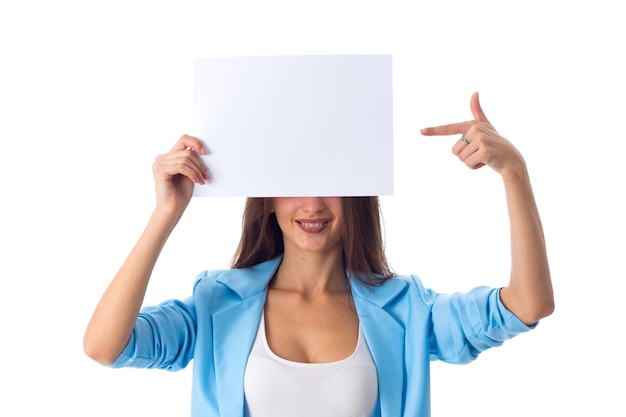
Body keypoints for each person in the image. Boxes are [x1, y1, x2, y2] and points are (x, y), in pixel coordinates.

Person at [83, 92, 554, 417]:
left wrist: (514, 172)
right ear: (267, 198)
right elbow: (105, 347)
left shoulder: (407, 310)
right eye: (292, 185)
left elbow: (527, 305)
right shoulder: (217, 304)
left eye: (329, 183)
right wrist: (166, 212)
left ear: (357, 193)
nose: (311, 205)